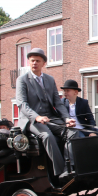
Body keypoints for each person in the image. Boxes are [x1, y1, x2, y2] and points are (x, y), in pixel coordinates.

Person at [15, 48, 78, 180]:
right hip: (31, 120)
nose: (34, 63)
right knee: (47, 136)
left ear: (44, 63)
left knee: (72, 132)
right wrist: (37, 117)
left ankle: (70, 167)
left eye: (38, 61)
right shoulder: (22, 80)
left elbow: (58, 102)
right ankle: (60, 172)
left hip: (50, 117)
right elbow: (22, 104)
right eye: (32, 61)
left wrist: (66, 118)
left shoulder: (49, 79)